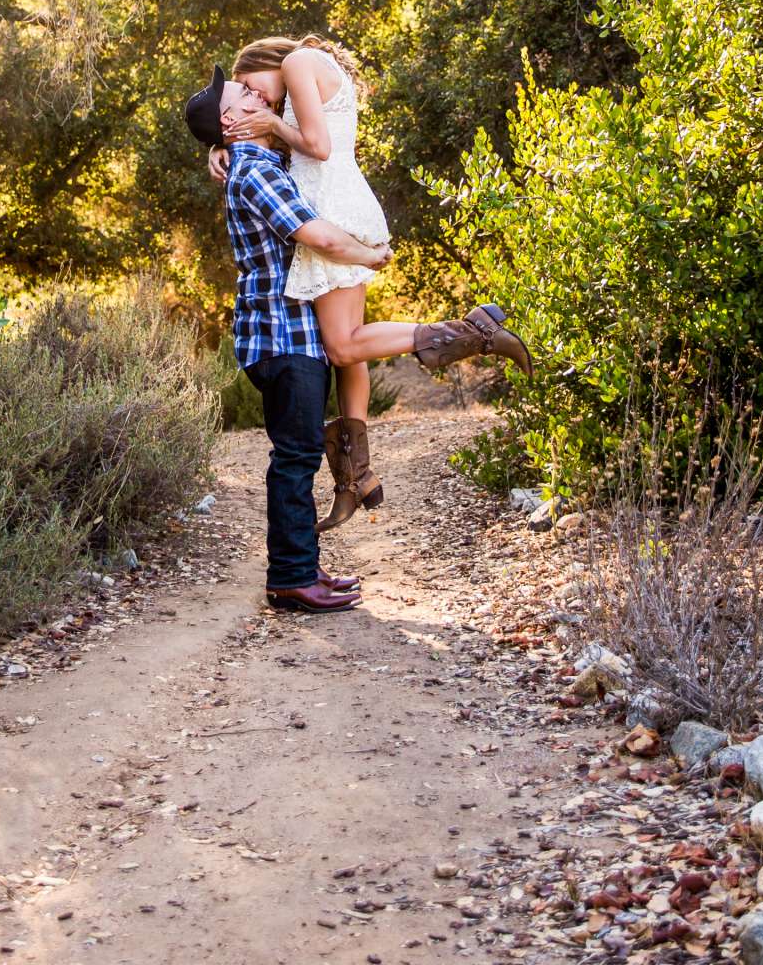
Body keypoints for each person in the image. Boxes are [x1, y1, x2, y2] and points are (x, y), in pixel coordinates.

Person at [184, 67, 534, 613]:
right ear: (232, 119)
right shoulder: (254, 172)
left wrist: (217, 148)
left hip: (288, 336)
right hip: (282, 338)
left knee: (296, 454)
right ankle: (292, 579)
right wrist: (369, 254)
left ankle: (302, 565)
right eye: (244, 95)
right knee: (295, 459)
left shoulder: (254, 162)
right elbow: (317, 234)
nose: (256, 95)